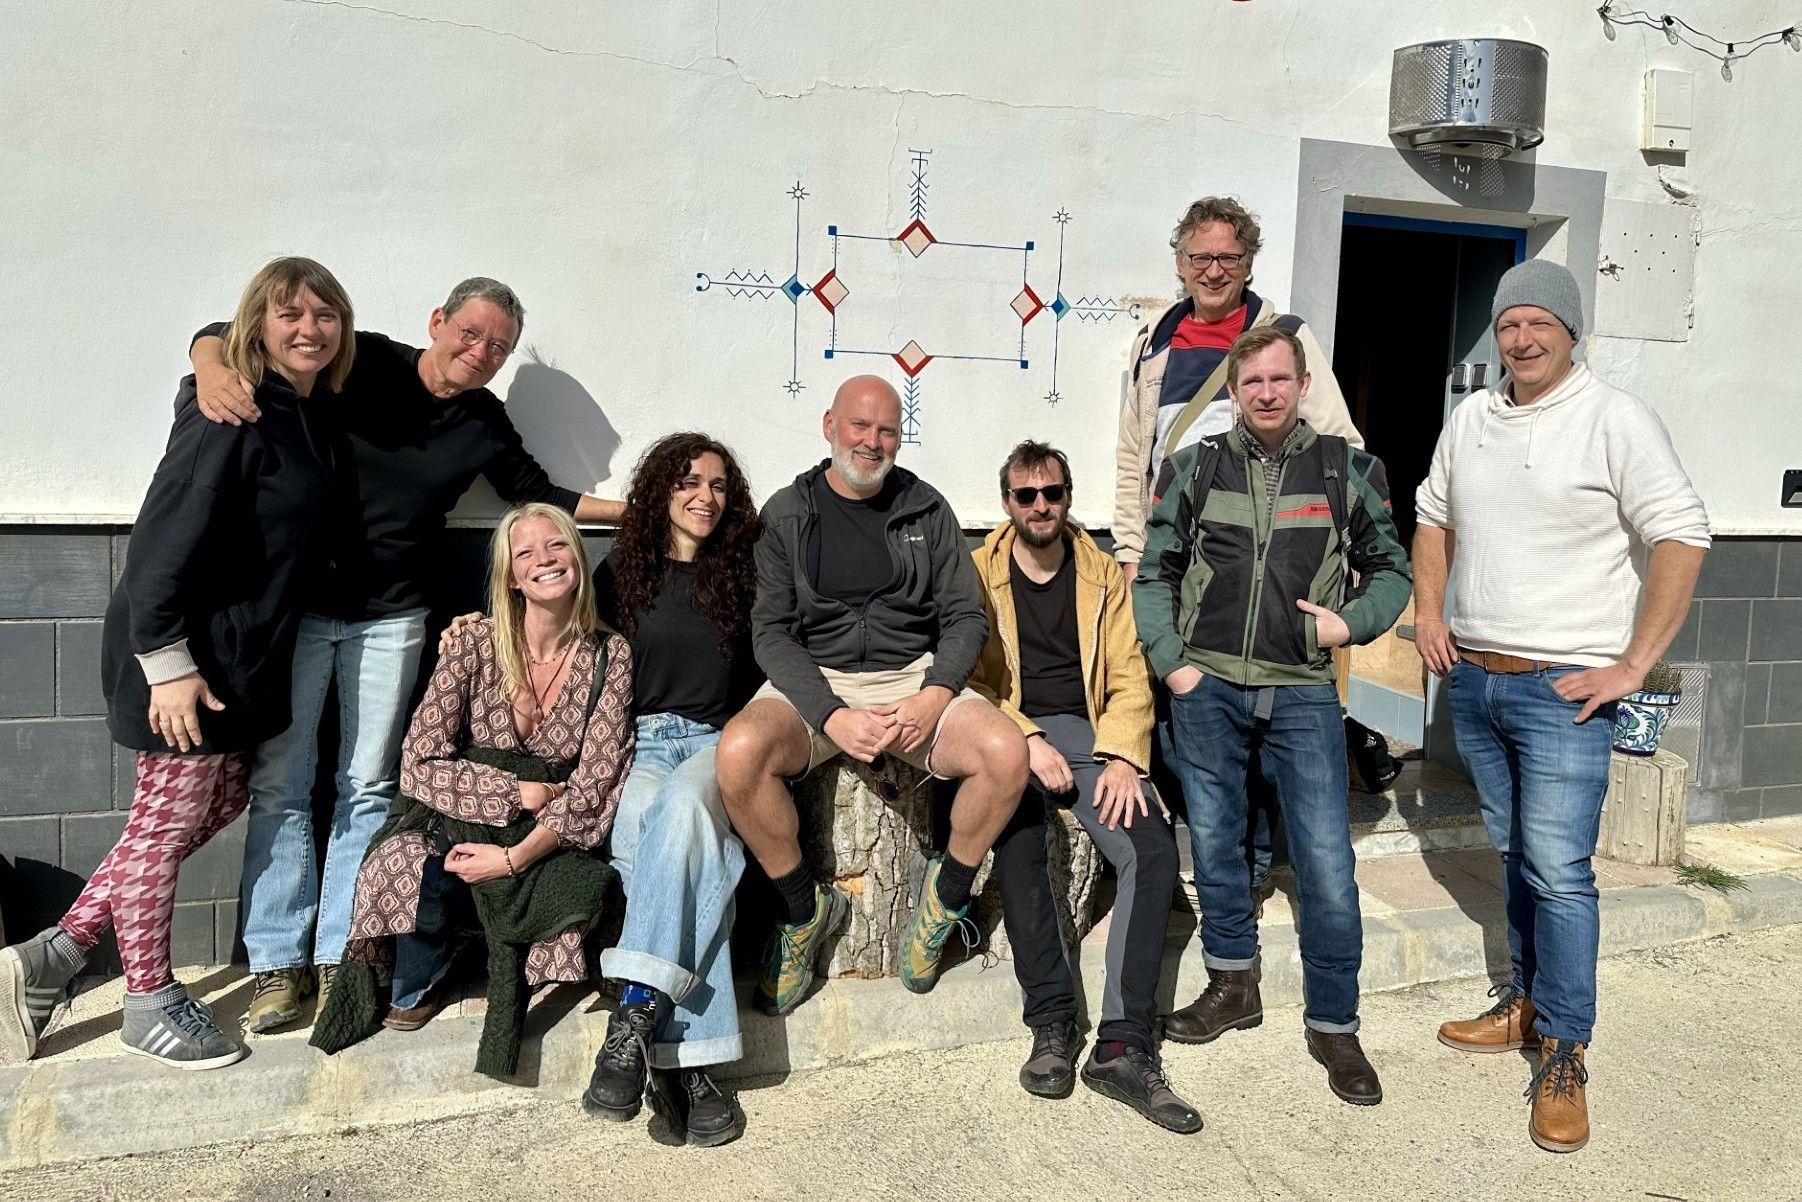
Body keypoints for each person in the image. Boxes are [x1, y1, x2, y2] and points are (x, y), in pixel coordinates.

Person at [187, 281, 625, 1033]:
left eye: (498, 346)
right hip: (302, 604)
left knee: (366, 786)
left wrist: (640, 508)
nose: (480, 353)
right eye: (471, 334)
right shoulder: (364, 361)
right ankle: (275, 966)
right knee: (283, 782)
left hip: (393, 617)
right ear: (438, 323)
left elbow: (537, 490)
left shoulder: (485, 421)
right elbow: (229, 329)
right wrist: (208, 365)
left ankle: (342, 958)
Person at [0, 257, 353, 1069]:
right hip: (187, 659)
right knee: (161, 827)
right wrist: (166, 661)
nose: (309, 328)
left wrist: (206, 346)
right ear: (255, 324)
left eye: (325, 314)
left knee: (218, 801)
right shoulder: (227, 405)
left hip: (240, 662)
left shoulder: (297, 408)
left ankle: (52, 955)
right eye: (289, 314)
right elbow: (162, 537)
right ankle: (147, 1000)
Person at [1417, 260, 1709, 1153]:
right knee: (1516, 855)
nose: (1523, 338)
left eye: (1541, 322)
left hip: (1565, 692)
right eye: (1509, 325)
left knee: (1560, 871)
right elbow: (1433, 516)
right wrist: (1431, 611)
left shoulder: (1615, 419)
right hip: (1479, 676)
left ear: (1572, 331)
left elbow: (1683, 531)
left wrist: (1633, 664)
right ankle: (1526, 1007)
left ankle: (1566, 1053)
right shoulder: (1471, 418)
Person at [1135, 325, 1410, 1106]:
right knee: (1218, 843)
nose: (1264, 393)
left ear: (1299, 385)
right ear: (1231, 390)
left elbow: (1389, 568)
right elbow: (1155, 573)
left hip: (1302, 692)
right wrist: (1173, 664)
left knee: (1325, 860)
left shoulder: (1346, 471)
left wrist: (1346, 625)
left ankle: (1334, 1024)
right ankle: (1233, 986)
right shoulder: (1193, 469)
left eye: (1278, 380)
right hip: (1208, 686)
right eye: (1250, 381)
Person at [715, 375, 1028, 1013]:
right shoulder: (787, 514)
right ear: (830, 425)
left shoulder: (925, 508)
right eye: (860, 426)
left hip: (912, 676)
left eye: (887, 429)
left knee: (1005, 752)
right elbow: (770, 632)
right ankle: (804, 911)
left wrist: (935, 694)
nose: (872, 441)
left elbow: (966, 617)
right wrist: (830, 715)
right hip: (816, 680)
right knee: (739, 752)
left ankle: (947, 894)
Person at [312, 503, 633, 1080]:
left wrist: (514, 856)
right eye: (527, 552)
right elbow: (419, 763)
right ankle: (430, 964)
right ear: (511, 576)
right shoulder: (473, 641)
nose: (545, 560)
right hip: (458, 813)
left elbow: (596, 781)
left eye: (557, 545)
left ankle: (504, 948)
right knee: (397, 862)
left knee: (582, 888)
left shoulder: (611, 655)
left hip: (542, 833)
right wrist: (515, 791)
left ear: (579, 558)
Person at [1112, 196, 1364, 906]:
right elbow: (1135, 456)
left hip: (1260, 566)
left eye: (1228, 257)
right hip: (1177, 565)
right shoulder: (1154, 341)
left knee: (1258, 719)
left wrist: (1316, 551)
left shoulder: (1284, 337)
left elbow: (1341, 446)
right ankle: (1210, 856)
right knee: (1188, 718)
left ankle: (1249, 868)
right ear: (1181, 263)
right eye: (1200, 257)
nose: (1213, 270)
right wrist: (1134, 555)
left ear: (1249, 261)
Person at [972, 441, 1199, 1134]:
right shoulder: (976, 573)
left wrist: (1127, 756)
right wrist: (1025, 739)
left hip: (1093, 735)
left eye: (1052, 493)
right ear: (1006, 503)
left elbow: (1131, 675)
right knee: (1019, 839)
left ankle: (1124, 1046)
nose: (1040, 507)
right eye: (1025, 495)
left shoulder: (1102, 574)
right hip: (1012, 733)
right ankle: (1051, 1025)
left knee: (1152, 850)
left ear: (1068, 497)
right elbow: (970, 681)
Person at [578, 433, 761, 1147]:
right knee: (662, 844)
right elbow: (578, 666)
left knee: (685, 809)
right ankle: (689, 1068)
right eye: (688, 482)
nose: (704, 497)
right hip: (643, 743)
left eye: (718, 486)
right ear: (660, 490)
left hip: (720, 745)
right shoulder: (621, 570)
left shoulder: (742, 575)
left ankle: (633, 1016)